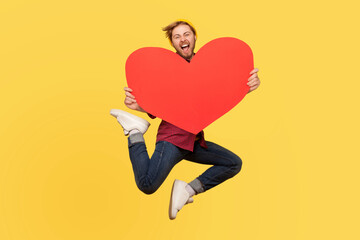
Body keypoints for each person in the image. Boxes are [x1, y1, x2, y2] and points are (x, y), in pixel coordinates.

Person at [110, 20, 260, 220]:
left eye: (186, 34)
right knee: (147, 185)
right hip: (172, 139)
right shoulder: (166, 68)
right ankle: (134, 131)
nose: (183, 39)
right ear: (173, 43)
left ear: (194, 37)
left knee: (233, 163)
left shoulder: (210, 65)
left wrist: (246, 86)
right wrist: (139, 106)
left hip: (193, 140)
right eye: (177, 36)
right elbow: (161, 101)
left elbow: (220, 92)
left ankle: (187, 190)